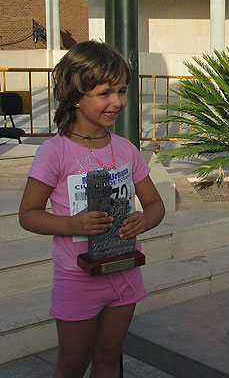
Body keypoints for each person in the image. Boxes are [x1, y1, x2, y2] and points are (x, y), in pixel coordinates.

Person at [18, 41, 165, 378]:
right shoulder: (54, 152)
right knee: (72, 363)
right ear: (75, 96)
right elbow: (28, 214)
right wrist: (72, 224)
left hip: (125, 271)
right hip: (77, 279)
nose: (117, 102)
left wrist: (144, 220)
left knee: (109, 356)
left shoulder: (126, 149)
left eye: (121, 91)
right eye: (104, 93)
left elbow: (155, 204)